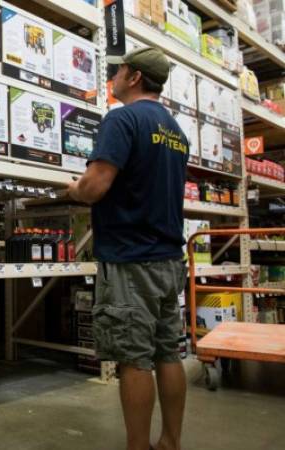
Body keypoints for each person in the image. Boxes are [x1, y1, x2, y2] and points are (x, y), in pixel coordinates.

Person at [67, 47, 189, 450]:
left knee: (133, 359)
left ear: (134, 77)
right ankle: (170, 442)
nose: (114, 77)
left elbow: (96, 184)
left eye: (118, 70)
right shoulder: (175, 130)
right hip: (169, 259)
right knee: (167, 351)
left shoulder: (122, 119)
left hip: (131, 259)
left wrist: (74, 188)